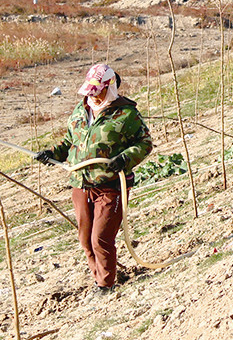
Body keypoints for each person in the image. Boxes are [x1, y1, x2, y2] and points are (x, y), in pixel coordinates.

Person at [33, 64, 153, 291]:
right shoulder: (81, 111)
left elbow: (145, 143)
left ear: (109, 88)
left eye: (97, 91)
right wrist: (52, 154)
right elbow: (70, 141)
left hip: (111, 185)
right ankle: (100, 276)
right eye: (90, 91)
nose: (93, 96)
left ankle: (105, 285)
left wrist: (125, 159)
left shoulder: (126, 114)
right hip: (80, 184)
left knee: (101, 238)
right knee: (86, 240)